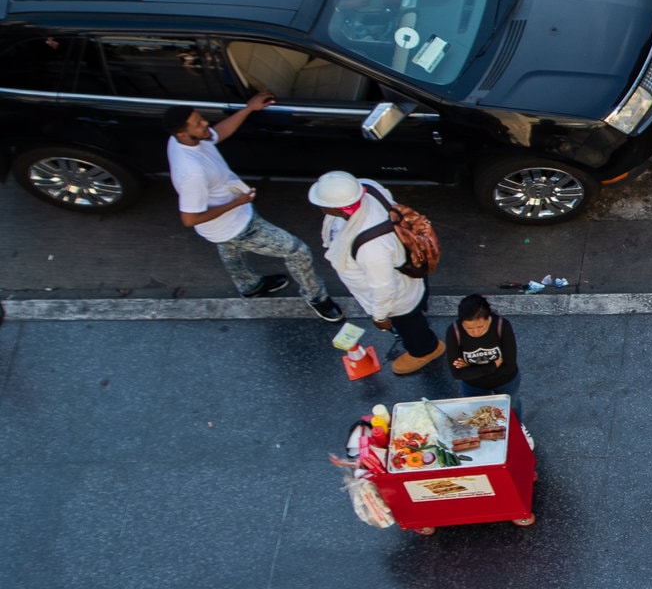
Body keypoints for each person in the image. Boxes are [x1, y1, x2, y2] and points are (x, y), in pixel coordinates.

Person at [165, 103, 342, 321]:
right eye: (198, 123)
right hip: (234, 225)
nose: (205, 124)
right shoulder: (192, 173)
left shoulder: (181, 140)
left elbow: (217, 133)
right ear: (182, 133)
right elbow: (190, 218)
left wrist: (249, 108)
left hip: (224, 223)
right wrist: (238, 202)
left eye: (201, 118)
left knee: (231, 252)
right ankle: (317, 297)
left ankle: (250, 286)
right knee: (297, 251)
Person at [310, 171, 442, 375]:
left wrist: (380, 316)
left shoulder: (372, 248)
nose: (318, 207)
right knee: (416, 306)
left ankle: (425, 350)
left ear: (335, 207)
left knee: (409, 322)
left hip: (398, 297)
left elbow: (383, 287)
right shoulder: (367, 187)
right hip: (408, 274)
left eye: (320, 203)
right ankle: (420, 322)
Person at [445, 294, 519, 393]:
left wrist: (470, 368)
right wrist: (493, 366)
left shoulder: (501, 326)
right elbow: (457, 373)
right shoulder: (454, 331)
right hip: (473, 386)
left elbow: (509, 366)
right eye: (469, 328)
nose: (475, 332)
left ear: (488, 318)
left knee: (511, 407)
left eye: (480, 327)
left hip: (506, 383)